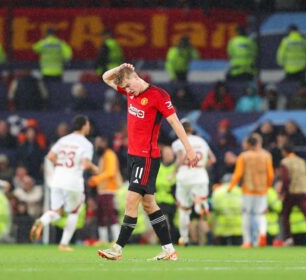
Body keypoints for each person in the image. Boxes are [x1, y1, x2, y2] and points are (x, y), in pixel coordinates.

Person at [97, 63, 199, 261]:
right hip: (133, 156)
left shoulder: (158, 96)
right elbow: (105, 78)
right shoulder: (130, 91)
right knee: (150, 204)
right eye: (124, 88)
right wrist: (120, 67)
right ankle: (169, 249)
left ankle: (118, 247)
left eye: (128, 85)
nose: (127, 91)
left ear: (136, 77)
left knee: (131, 199)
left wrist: (189, 149)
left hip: (147, 157)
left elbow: (175, 123)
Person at [30, 115, 99, 251]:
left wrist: (61, 166)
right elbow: (85, 164)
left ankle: (41, 221)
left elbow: (50, 156)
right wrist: (95, 168)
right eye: (88, 124)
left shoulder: (63, 140)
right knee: (74, 212)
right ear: (84, 126)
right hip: (73, 182)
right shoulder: (86, 144)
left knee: (56, 211)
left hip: (57, 179)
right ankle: (63, 244)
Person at [171, 120, 216, 246]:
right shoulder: (202, 141)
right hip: (200, 175)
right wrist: (201, 166)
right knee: (202, 206)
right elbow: (212, 159)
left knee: (184, 209)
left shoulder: (177, 142)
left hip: (184, 175)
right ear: (191, 129)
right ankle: (208, 234)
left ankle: (184, 239)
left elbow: (180, 158)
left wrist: (173, 172)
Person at [227, 133, 274, 248]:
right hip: (262, 191)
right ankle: (262, 235)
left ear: (248, 144)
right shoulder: (266, 156)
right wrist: (267, 187)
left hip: (248, 191)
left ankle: (247, 241)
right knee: (260, 215)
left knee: (246, 215)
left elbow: (238, 174)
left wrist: (230, 187)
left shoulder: (244, 156)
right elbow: (271, 174)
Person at [279, 144, 306, 247]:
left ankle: (288, 238)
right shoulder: (302, 161)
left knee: (286, 215)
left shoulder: (285, 162)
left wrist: (282, 192)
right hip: (303, 191)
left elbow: (286, 179)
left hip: (292, 192)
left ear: (284, 151)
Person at [87, 135, 122, 244]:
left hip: (110, 189)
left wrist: (96, 179)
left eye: (98, 143)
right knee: (101, 215)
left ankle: (117, 239)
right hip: (102, 190)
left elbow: (111, 172)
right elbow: (102, 171)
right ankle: (103, 239)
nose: (96, 146)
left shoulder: (109, 154)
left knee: (111, 214)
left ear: (104, 143)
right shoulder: (103, 156)